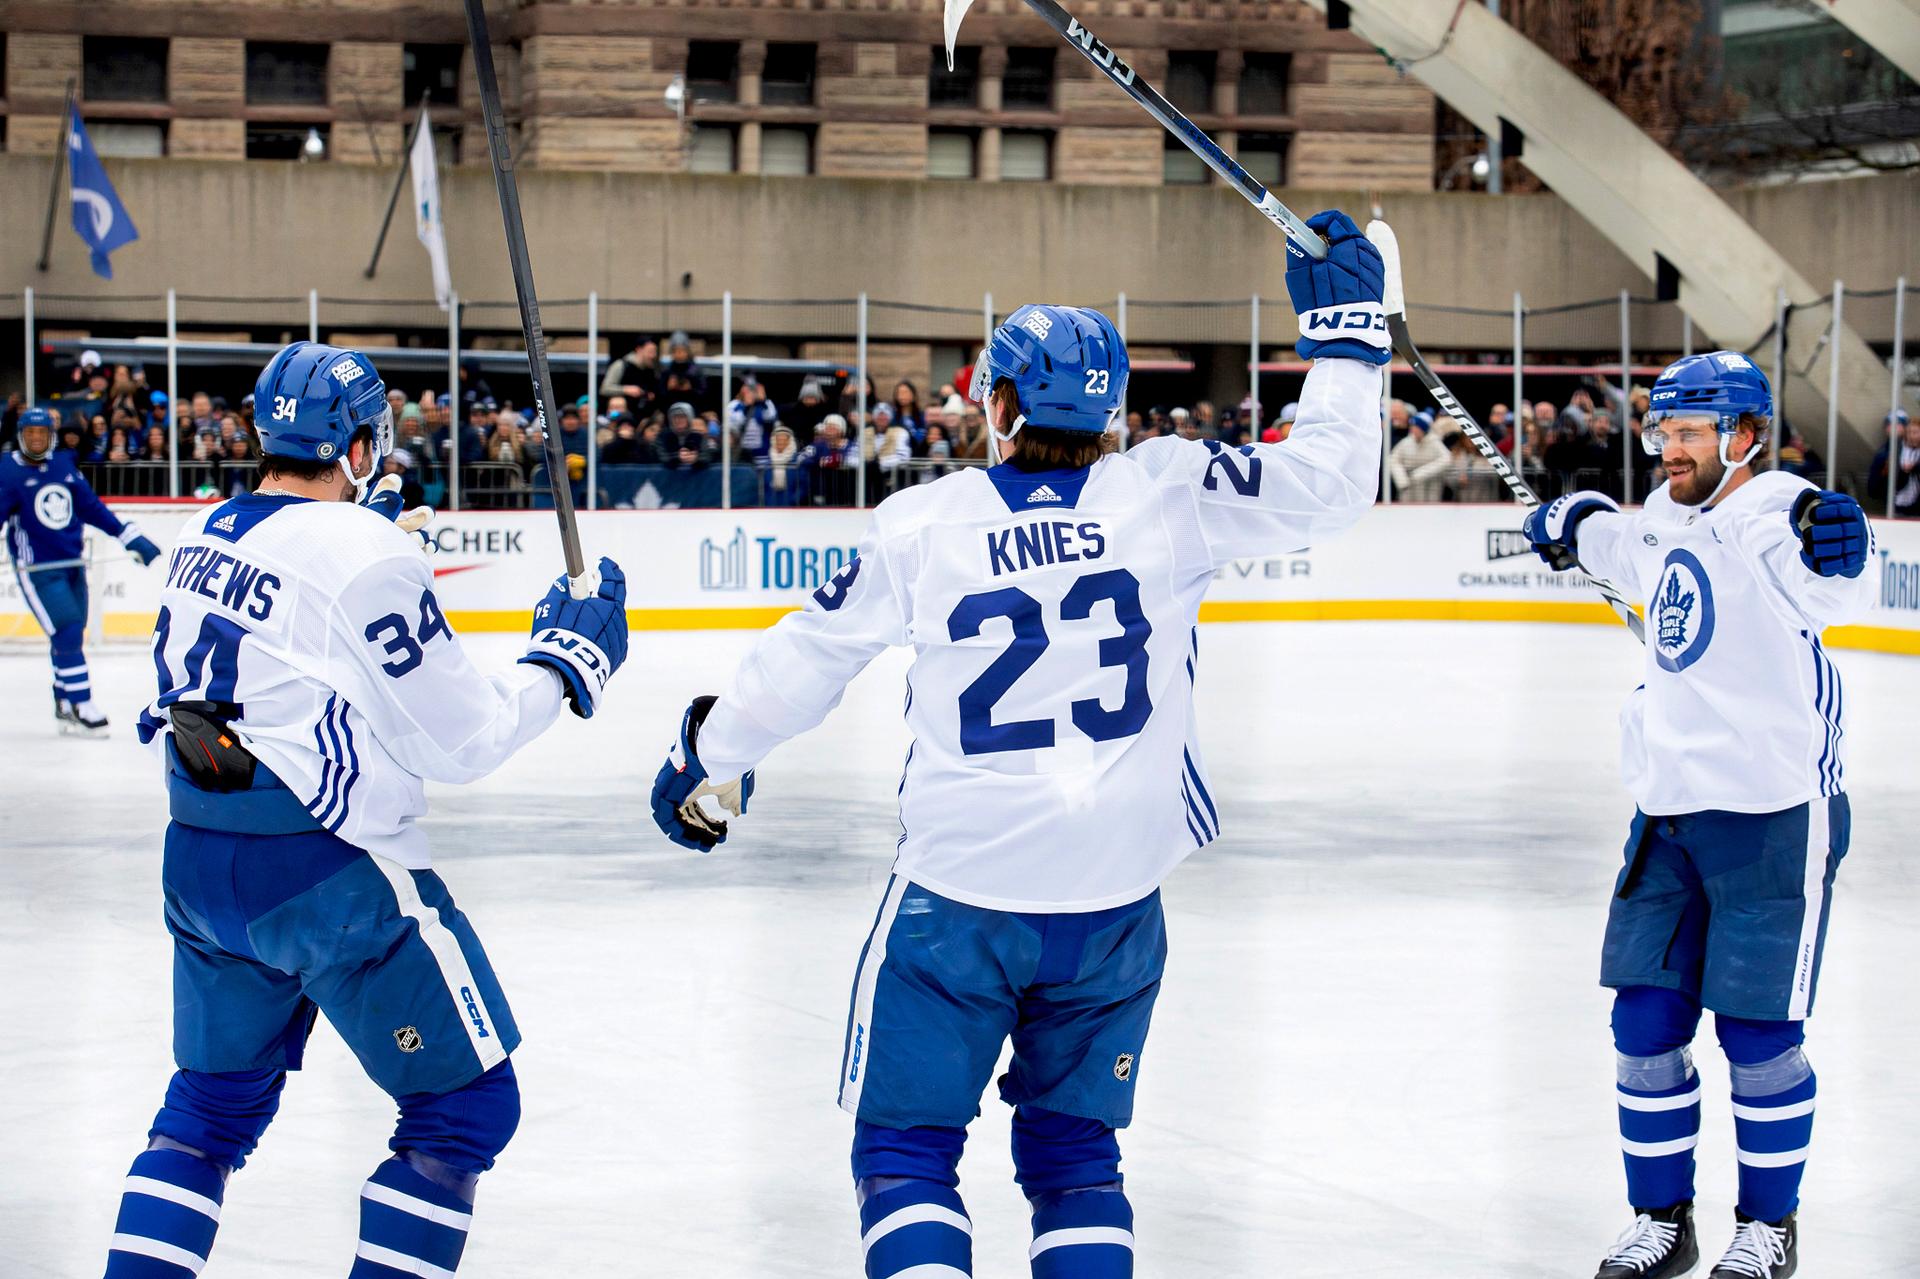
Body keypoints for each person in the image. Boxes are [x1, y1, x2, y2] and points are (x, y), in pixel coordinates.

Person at [647, 210, 1389, 1279]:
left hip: (962, 895)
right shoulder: (1169, 492)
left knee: (905, 1151)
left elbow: (803, 662)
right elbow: (1326, 486)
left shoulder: (926, 523)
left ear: (997, 403)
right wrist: (1348, 347)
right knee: (1077, 1154)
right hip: (1117, 897)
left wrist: (705, 757)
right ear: (1113, 409)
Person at [96, 341, 629, 1279]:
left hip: (199, 865)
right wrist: (563, 662)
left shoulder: (201, 532)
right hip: (327, 875)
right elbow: (462, 741)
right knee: (464, 1109)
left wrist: (363, 529)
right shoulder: (363, 549)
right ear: (355, 439)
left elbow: (282, 627)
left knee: (209, 1114)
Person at [1522, 351, 1872, 1279]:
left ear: (1743, 435)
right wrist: (1566, 520)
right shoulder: (1658, 520)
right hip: (1667, 815)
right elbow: (1614, 540)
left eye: (1689, 433)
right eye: (1663, 431)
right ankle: (1662, 1219)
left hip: (1772, 816)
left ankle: (1769, 1228)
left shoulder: (1768, 511)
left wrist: (1831, 533)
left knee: (1759, 1036)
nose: (1669, 448)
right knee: (1643, 1023)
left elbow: (1826, 566)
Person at [1, 405, 164, 733]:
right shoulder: (8, 471)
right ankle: (82, 702)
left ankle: (63, 700)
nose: (35, 439)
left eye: (41, 433)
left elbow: (91, 508)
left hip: (73, 565)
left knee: (72, 633)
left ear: (51, 436)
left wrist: (129, 537)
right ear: (20, 436)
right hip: (38, 570)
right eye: (29, 433)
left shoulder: (63, 465)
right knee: (67, 630)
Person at [1389, 408, 1449, 501]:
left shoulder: (1435, 443)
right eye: (1412, 426)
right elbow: (1393, 459)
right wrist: (1402, 480)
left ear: (1423, 429)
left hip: (1429, 490)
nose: (1413, 429)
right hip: (1408, 490)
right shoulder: (1406, 442)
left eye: (1416, 427)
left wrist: (1422, 472)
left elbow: (1446, 459)